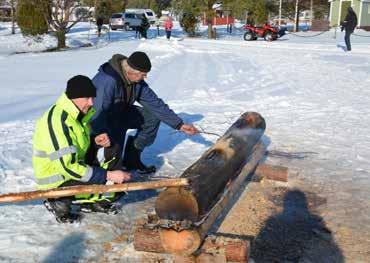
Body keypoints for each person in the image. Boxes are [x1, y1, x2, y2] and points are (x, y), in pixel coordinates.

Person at [32, 75, 131, 223]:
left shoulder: (74, 115)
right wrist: (108, 175)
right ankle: (58, 200)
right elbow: (69, 167)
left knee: (112, 147)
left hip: (72, 168)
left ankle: (96, 202)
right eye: (87, 98)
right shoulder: (58, 121)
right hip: (57, 179)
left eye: (92, 97)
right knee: (113, 183)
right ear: (74, 97)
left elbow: (73, 144)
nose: (91, 103)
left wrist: (94, 140)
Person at [90, 52, 199, 174]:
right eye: (143, 75)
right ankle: (102, 173)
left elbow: (155, 103)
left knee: (152, 117)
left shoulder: (136, 81)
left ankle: (132, 159)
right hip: (97, 120)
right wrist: (100, 134)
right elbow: (95, 113)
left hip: (119, 113)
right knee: (113, 144)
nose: (145, 77)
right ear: (130, 72)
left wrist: (179, 124)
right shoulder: (107, 81)